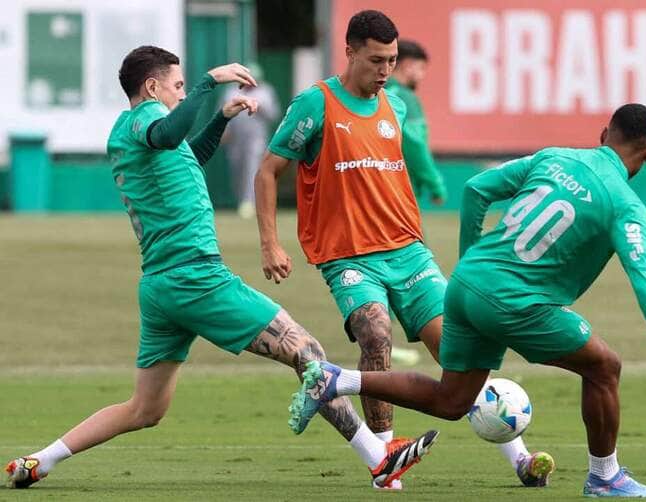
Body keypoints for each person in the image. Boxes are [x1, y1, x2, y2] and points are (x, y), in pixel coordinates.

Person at [4, 46, 437, 490]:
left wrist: (220, 119)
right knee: (309, 354)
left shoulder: (136, 133)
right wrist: (208, 82)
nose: (181, 94)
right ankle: (379, 458)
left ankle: (40, 460)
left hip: (161, 286)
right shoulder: (144, 121)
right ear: (151, 87)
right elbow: (169, 133)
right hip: (195, 277)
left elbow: (185, 152)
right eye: (176, 86)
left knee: (145, 409)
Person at [291, 104, 646, 498]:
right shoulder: (625, 205)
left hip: (465, 285)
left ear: (604, 134)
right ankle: (605, 476)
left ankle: (335, 380)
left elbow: (476, 189)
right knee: (604, 367)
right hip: (517, 303)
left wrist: (469, 264)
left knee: (452, 400)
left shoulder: (554, 157)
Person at [256, 9, 552, 489]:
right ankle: (387, 460)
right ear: (349, 52)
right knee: (375, 334)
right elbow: (268, 171)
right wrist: (270, 243)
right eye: (376, 60)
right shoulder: (315, 104)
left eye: (392, 60)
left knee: (457, 349)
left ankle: (519, 457)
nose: (385, 70)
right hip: (348, 256)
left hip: (408, 251)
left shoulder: (395, 105)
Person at [385, 39, 447, 206]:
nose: (422, 75)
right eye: (421, 68)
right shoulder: (404, 97)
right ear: (407, 65)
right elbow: (415, 144)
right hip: (401, 190)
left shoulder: (376, 93)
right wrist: (436, 184)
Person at [221, 62, 280, 219]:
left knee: (252, 168)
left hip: (256, 138)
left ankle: (249, 203)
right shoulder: (231, 92)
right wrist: (224, 131)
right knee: (237, 168)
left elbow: (273, 115)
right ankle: (241, 200)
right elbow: (222, 113)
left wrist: (260, 108)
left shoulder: (265, 92)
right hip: (235, 138)